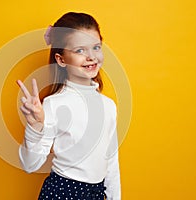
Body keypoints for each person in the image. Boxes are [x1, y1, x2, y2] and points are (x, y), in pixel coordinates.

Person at [17, 12, 121, 200]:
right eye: (80, 50)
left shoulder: (108, 106)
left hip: (96, 194)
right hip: (63, 193)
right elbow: (29, 165)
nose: (91, 56)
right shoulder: (53, 105)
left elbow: (111, 161)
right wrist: (35, 127)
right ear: (61, 59)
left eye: (96, 47)